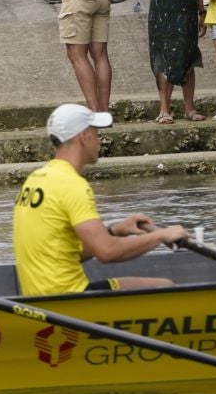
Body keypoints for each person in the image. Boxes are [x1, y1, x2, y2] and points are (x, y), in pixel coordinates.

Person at [12, 104, 189, 295]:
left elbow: (67, 253)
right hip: (71, 297)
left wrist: (114, 231)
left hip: (39, 296)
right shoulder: (72, 184)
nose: (100, 141)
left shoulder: (35, 179)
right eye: (96, 133)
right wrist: (161, 235)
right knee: (165, 286)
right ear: (84, 137)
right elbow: (107, 252)